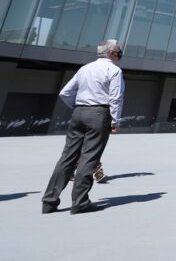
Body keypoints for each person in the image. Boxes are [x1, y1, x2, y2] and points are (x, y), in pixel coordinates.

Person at [41, 40, 125, 215]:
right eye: (118, 51)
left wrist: (78, 106)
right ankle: (80, 202)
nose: (119, 54)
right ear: (111, 53)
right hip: (99, 113)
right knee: (90, 157)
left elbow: (65, 92)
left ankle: (49, 201)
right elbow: (115, 98)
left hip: (78, 112)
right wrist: (115, 122)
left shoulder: (84, 68)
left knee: (67, 156)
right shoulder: (114, 70)